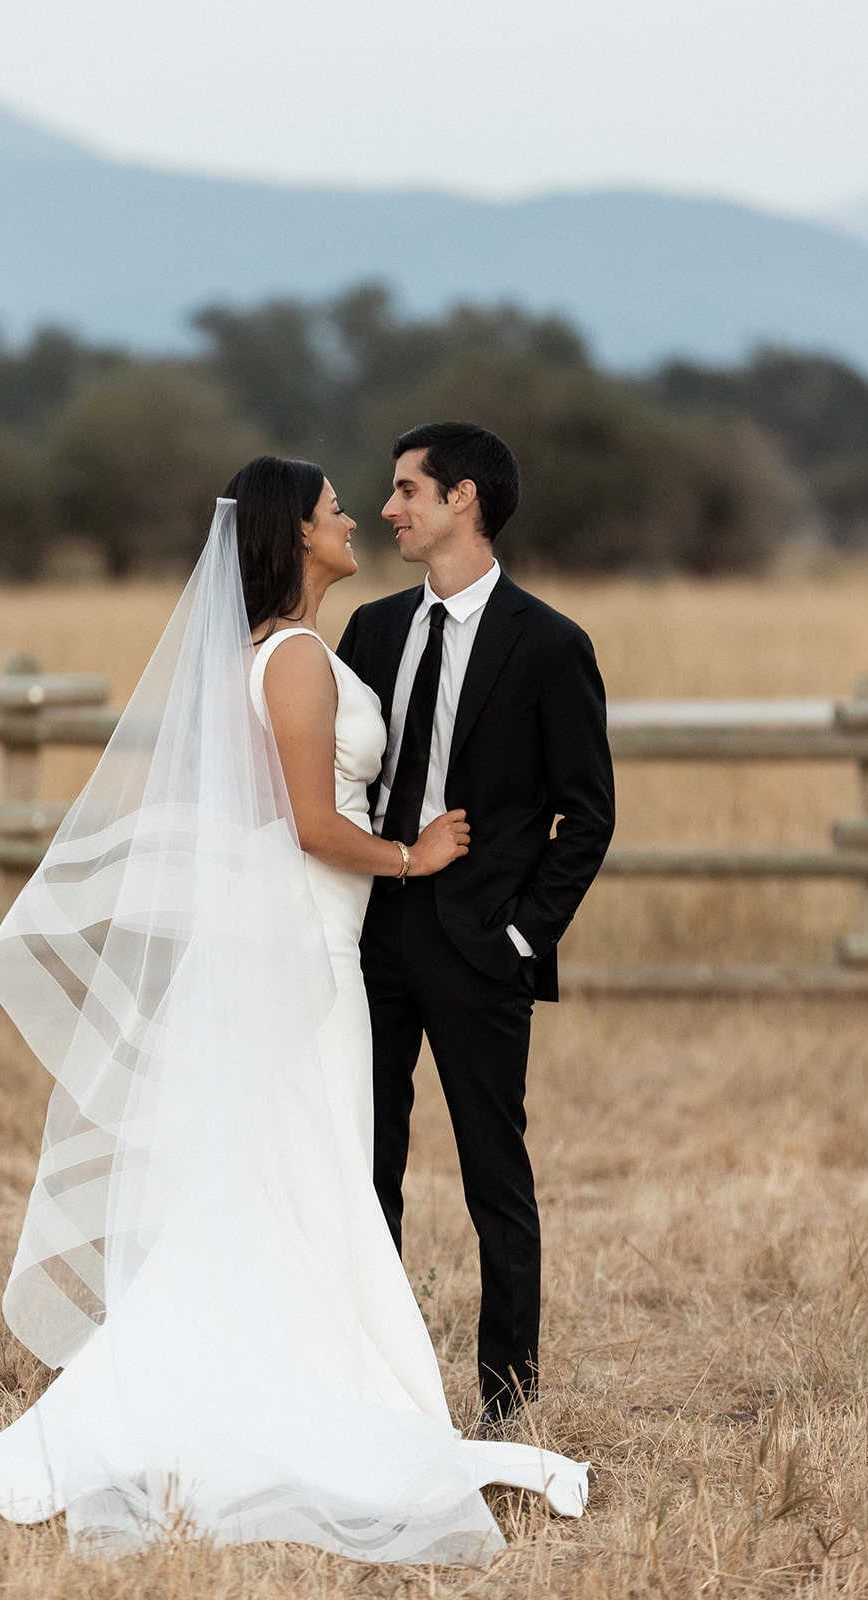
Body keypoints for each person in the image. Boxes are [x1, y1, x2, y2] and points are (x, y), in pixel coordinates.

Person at [0, 456, 590, 1565]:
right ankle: (288, 1388)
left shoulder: (284, 654)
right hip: (309, 934)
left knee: (289, 1161)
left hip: (299, 934)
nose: (355, 519)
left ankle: (294, 1359)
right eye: (334, 509)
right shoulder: (295, 663)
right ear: (296, 536)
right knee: (306, 1155)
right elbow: (314, 825)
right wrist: (413, 858)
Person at [337, 423, 615, 1425]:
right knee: (362, 1167)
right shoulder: (370, 630)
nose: (389, 508)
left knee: (496, 1179)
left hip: (480, 948)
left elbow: (588, 814)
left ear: (463, 499)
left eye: (407, 489)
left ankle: (507, 1402)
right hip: (371, 938)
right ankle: (370, 1383)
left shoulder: (549, 644)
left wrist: (519, 936)